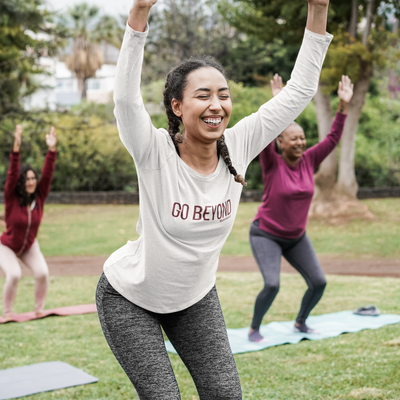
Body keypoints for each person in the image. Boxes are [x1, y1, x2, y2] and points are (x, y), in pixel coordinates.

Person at [95, 0, 332, 398]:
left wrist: (319, 7)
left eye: (223, 95)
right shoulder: (153, 150)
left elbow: (301, 91)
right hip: (129, 298)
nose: (216, 105)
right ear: (177, 106)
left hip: (195, 299)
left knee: (225, 394)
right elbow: (125, 101)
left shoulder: (239, 144)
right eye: (202, 95)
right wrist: (138, 15)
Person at [248, 74, 354, 342]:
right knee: (272, 284)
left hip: (296, 237)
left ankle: (300, 323)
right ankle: (254, 328)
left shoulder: (309, 160)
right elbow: (267, 130)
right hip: (266, 234)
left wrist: (343, 106)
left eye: (302, 138)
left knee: (319, 282)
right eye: (292, 139)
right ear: (280, 142)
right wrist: (278, 104)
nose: (299, 142)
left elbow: (332, 139)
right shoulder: (271, 162)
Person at [0, 124, 57, 321]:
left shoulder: (39, 197)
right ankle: (7, 313)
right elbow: (12, 173)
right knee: (14, 274)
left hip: (29, 246)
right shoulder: (11, 197)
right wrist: (16, 145)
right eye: (27, 179)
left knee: (42, 273)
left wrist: (51, 150)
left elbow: (48, 175)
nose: (31, 182)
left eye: (33, 178)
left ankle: (38, 309)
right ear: (22, 182)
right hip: (6, 245)